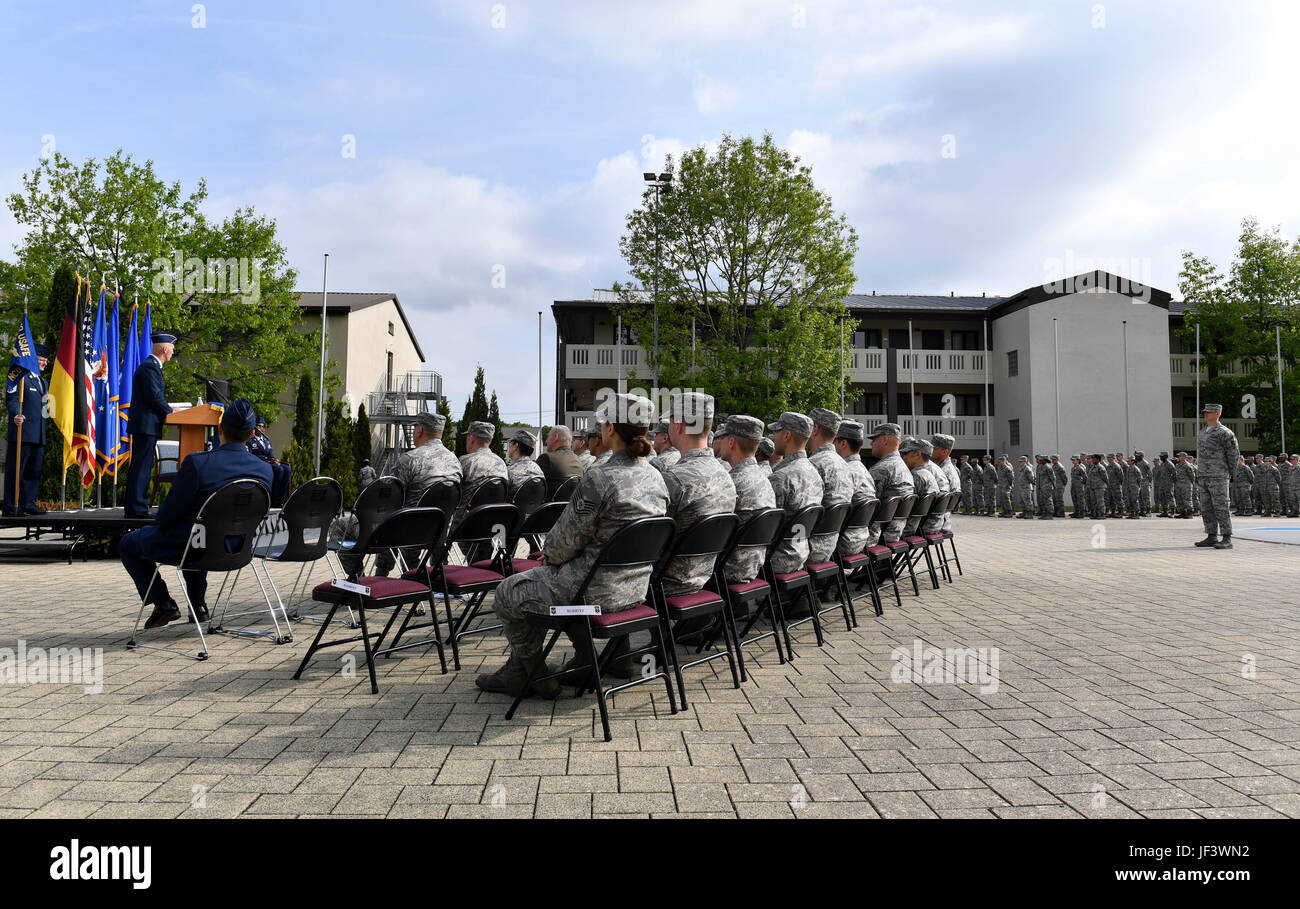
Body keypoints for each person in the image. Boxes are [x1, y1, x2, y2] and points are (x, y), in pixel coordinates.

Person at [478, 393, 668, 698]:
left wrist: (550, 556)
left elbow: (562, 542)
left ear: (609, 428)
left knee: (508, 591)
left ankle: (532, 673)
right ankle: (586, 660)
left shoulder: (601, 477)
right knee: (541, 581)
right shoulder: (657, 478)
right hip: (634, 591)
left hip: (591, 594)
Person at [120, 398, 273, 628]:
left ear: (219, 429)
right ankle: (198, 606)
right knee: (199, 532)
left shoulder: (198, 464)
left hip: (196, 547)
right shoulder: (265, 470)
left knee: (129, 544)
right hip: (239, 549)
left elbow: (166, 516)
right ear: (252, 434)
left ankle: (163, 603)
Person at [330, 411, 461, 577]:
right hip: (437, 532)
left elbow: (384, 500)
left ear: (420, 430)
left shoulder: (410, 459)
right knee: (393, 517)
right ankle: (400, 573)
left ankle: (359, 581)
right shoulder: (455, 462)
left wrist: (368, 489)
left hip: (403, 534)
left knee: (340, 526)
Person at [659, 393, 736, 596]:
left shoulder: (674, 479)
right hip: (706, 576)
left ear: (678, 426)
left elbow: (648, 540)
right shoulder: (727, 476)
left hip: (666, 582)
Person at [716, 415, 777, 582]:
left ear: (731, 442)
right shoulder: (766, 479)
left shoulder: (730, 483)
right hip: (754, 565)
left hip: (726, 569)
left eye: (723, 437)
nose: (720, 443)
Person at [124, 333, 177, 517]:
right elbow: (154, 396)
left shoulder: (153, 366)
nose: (173, 352)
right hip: (145, 426)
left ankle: (137, 506)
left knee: (143, 467)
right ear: (164, 348)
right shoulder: (149, 367)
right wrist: (171, 411)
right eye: (172, 348)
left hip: (147, 426)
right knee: (141, 468)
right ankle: (136, 508)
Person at [767, 412, 824, 570]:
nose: (774, 438)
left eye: (777, 432)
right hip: (801, 554)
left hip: (777, 558)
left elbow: (765, 530)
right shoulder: (815, 474)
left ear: (787, 435)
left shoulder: (781, 477)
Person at [3, 343, 50, 516]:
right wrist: (15, 414)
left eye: (46, 360)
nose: (45, 363)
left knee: (33, 472)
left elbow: (45, 408)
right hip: (22, 432)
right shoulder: (20, 377)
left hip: (38, 434)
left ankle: (28, 503)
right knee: (16, 471)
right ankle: (11, 507)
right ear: (33, 359)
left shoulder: (43, 382)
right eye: (42, 360)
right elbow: (12, 399)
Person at [805, 407, 852, 563]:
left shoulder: (813, 465)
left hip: (809, 548)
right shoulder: (845, 465)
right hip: (830, 544)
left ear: (815, 429)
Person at [1194, 403, 1240, 548]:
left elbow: (1233, 454)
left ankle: (1227, 538)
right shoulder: (1203, 432)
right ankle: (1211, 535)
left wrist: (1231, 473)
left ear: (1218, 413)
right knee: (1206, 507)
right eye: (1205, 412)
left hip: (1218, 475)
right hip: (1203, 475)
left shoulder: (1224, 432)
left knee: (1221, 506)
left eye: (1209, 412)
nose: (1206, 414)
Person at [454, 420, 509, 528]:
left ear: (471, 438)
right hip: (492, 523)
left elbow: (453, 492)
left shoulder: (466, 461)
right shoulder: (501, 463)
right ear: (489, 441)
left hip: (464, 524)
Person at [835, 420, 878, 556]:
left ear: (843, 443)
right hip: (862, 539)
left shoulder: (843, 471)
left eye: (833, 441)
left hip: (843, 543)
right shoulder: (865, 471)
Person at [867, 423, 913, 543]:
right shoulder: (905, 468)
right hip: (896, 533)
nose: (871, 444)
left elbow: (866, 508)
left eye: (874, 439)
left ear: (885, 440)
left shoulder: (881, 469)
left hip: (875, 537)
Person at [246, 416, 293, 506]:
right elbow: (251, 456)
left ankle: (280, 499)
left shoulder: (266, 440)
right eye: (258, 426)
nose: (260, 428)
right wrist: (270, 462)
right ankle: (272, 499)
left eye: (262, 426)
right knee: (279, 470)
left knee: (287, 469)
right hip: (260, 463)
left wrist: (274, 460)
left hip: (269, 462)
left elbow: (270, 454)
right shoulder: (250, 441)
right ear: (254, 428)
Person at [901, 437, 943, 535]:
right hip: (932, 525)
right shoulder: (927, 473)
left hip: (913, 528)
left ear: (918, 454)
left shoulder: (916, 476)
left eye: (906, 453)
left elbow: (903, 509)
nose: (904, 457)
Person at [535, 425, 583, 497]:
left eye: (548, 437)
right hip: (571, 503)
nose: (546, 441)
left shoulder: (547, 458)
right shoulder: (578, 461)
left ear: (556, 437)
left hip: (550, 503)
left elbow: (531, 483)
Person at [929, 434, 961, 530]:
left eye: (934, 448)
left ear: (945, 451)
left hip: (935, 521)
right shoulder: (939, 467)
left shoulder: (944, 471)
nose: (930, 450)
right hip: (940, 519)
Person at [1172, 451, 1194, 518]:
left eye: (1180, 456)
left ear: (1184, 457)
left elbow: (1192, 476)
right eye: (1179, 456)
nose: (1179, 457)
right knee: (1179, 499)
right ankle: (1182, 512)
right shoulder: (1178, 465)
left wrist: (1190, 484)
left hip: (1186, 485)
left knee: (1187, 499)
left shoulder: (1187, 465)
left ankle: (1189, 513)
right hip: (1179, 485)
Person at [1087, 454, 1109, 519]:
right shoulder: (1093, 467)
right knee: (1094, 501)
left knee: (1100, 501)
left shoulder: (1101, 467)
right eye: (1092, 459)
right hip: (1093, 487)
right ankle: (1096, 514)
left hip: (1099, 487)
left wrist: (1106, 485)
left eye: (1094, 459)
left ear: (1098, 460)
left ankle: (1101, 514)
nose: (1092, 460)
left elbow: (1105, 478)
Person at [1034, 455, 1055, 519]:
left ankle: (1050, 514)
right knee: (1044, 501)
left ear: (1044, 460)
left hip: (1047, 487)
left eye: (1041, 460)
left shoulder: (1048, 467)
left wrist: (1054, 486)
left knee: (1048, 501)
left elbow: (1053, 478)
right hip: (1042, 487)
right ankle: (1045, 513)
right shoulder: (1041, 466)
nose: (1039, 461)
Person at [1135, 451, 1152, 516]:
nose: (1137, 457)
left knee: (1146, 497)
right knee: (1140, 497)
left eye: (1138, 456)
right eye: (1137, 456)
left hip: (1145, 482)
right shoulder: (1136, 463)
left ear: (1142, 456)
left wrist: (1149, 482)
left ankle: (1148, 511)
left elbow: (1150, 474)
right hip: (1138, 483)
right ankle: (1142, 510)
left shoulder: (1145, 463)